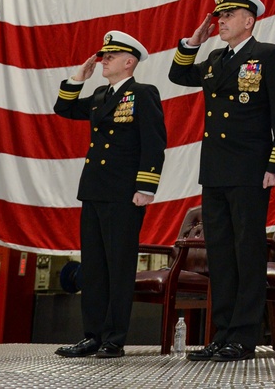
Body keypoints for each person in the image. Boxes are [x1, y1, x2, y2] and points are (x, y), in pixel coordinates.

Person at [168, 0, 275, 362]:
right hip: (215, 169)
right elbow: (179, 74)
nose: (220, 20)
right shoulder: (213, 61)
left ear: (249, 20)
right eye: (219, 16)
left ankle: (243, 335)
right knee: (220, 254)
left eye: (228, 15)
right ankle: (221, 332)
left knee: (247, 251)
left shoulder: (268, 55)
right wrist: (192, 42)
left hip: (250, 169)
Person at [54, 31, 167, 359]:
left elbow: (154, 141)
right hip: (94, 189)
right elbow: (63, 107)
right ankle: (92, 335)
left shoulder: (143, 93)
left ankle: (114, 339)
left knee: (118, 267)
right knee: (93, 266)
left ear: (129, 61)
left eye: (111, 55)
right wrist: (79, 78)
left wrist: (146, 187)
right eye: (103, 54)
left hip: (124, 193)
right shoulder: (101, 95)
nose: (103, 59)